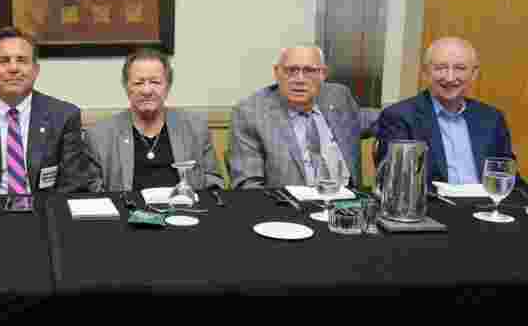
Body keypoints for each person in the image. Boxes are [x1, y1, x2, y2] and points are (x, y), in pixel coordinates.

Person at [0, 27, 93, 195]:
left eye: (22, 60)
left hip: (47, 211)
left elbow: (73, 184)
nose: (13, 68)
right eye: (4, 60)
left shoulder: (65, 116)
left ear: (35, 70)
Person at [227, 45, 377, 189]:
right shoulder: (251, 113)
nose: (299, 79)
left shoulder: (338, 97)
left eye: (309, 70)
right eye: (291, 70)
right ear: (277, 72)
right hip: (290, 209)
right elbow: (248, 185)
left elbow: (380, 120)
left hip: (348, 203)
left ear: (323, 74)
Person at [375, 36, 516, 184]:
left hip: (486, 205)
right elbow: (398, 183)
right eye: (441, 68)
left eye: (460, 68)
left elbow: (507, 176)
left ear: (474, 74)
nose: (450, 78)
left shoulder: (491, 118)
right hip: (433, 206)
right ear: (426, 72)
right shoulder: (400, 117)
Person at [85, 48, 222, 192]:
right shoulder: (99, 136)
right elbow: (93, 191)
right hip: (127, 212)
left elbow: (213, 181)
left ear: (167, 86)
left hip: (185, 211)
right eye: (138, 83)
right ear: (126, 87)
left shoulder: (195, 128)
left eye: (155, 82)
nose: (147, 90)